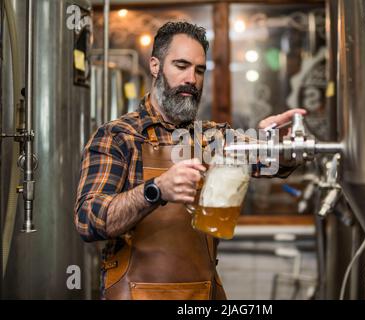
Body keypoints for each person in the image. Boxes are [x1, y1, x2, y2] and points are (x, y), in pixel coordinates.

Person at [74, 21, 305, 300]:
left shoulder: (211, 138)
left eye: (199, 70)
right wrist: (156, 190)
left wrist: (279, 143)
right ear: (155, 66)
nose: (191, 79)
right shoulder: (118, 136)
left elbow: (273, 162)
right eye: (181, 66)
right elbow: (88, 219)